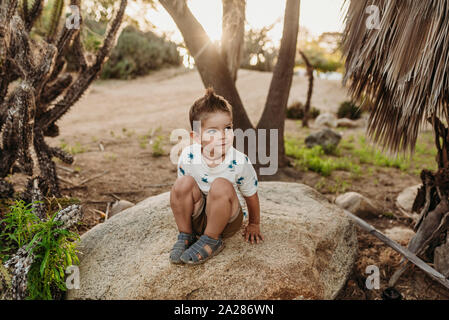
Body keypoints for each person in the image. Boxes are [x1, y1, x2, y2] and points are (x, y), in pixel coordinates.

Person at [169, 87, 264, 265]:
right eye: (212, 131)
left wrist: (254, 223)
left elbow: (251, 195)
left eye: (227, 128)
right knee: (182, 184)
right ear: (196, 137)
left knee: (221, 185)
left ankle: (212, 239)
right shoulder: (188, 157)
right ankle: (186, 235)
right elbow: (182, 197)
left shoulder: (239, 161)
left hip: (227, 219)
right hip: (199, 216)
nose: (223, 135)